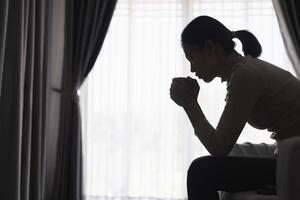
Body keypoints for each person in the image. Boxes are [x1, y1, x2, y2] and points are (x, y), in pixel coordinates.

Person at [169, 15, 300, 200]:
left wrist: (189, 104)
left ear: (209, 48)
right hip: (289, 158)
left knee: (201, 172)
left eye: (191, 57)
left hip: (294, 163)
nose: (191, 68)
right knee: (204, 170)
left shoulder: (245, 75)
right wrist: (191, 103)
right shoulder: (243, 71)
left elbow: (219, 146)